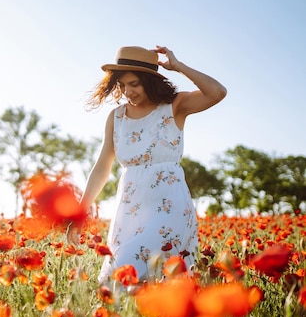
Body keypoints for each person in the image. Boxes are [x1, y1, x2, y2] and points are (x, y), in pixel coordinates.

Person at [67, 45, 227, 283]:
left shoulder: (175, 106)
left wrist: (179, 67)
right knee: (128, 288)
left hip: (169, 209)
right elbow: (101, 168)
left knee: (123, 276)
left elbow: (217, 92)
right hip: (130, 212)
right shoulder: (117, 117)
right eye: (122, 85)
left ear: (150, 81)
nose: (127, 91)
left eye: (134, 84)